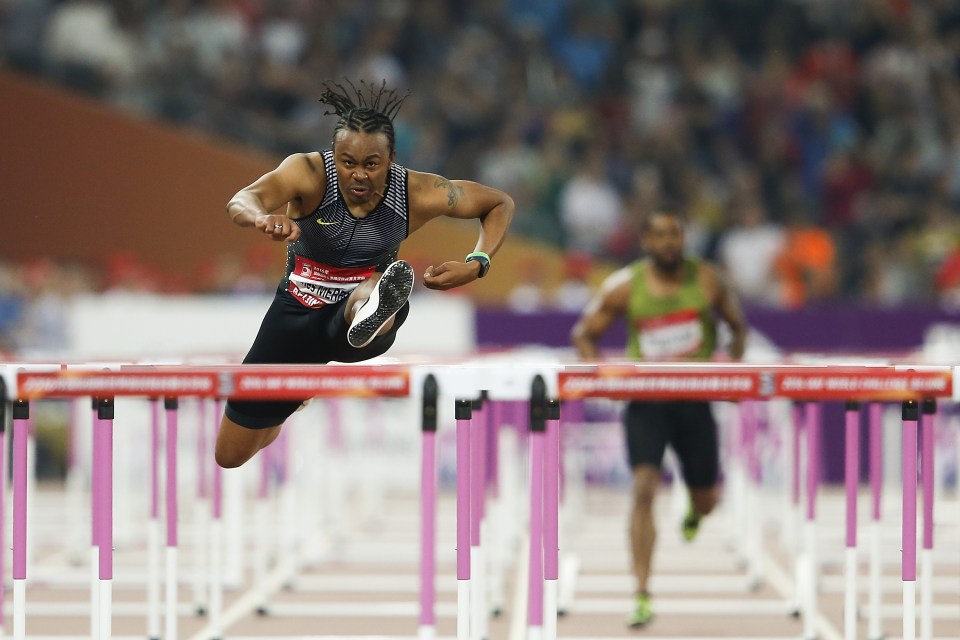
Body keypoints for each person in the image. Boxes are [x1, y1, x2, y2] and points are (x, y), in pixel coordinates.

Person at [215, 80, 514, 469]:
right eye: (347, 162)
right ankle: (298, 394)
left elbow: (498, 203)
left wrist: (477, 263)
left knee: (372, 291)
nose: (358, 175)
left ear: (391, 159)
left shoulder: (418, 191)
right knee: (230, 455)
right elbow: (242, 199)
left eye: (371, 164)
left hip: (359, 321)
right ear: (333, 155)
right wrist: (260, 218)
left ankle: (375, 302)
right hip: (295, 312)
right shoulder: (306, 171)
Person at [570, 207, 747, 627]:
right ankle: (642, 592)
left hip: (694, 400)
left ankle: (693, 512)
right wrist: (605, 381)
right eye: (660, 236)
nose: (669, 243)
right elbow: (584, 335)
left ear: (683, 239)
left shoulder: (706, 279)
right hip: (646, 402)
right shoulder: (625, 286)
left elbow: (738, 329)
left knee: (707, 500)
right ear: (647, 242)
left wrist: (731, 372)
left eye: (675, 235)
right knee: (643, 488)